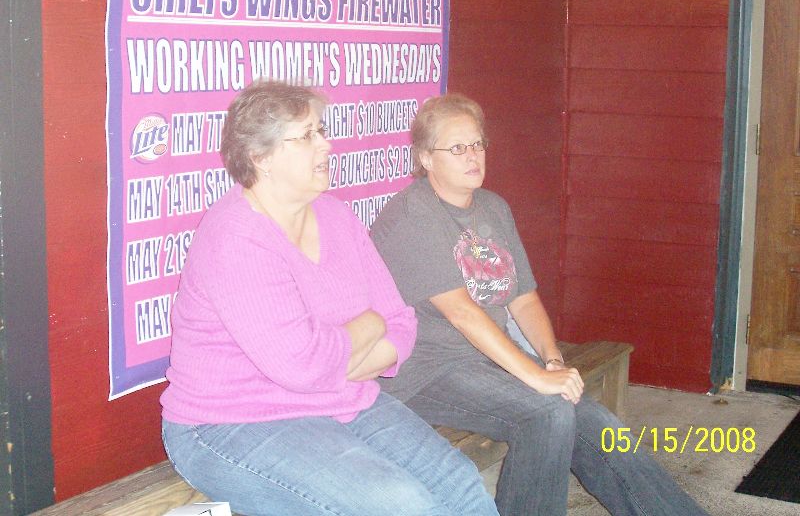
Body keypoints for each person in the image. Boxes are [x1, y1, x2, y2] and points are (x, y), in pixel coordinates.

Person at [160, 81, 499, 516]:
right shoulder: (235, 237)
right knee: (401, 504)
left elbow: (400, 322)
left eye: (321, 130)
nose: (326, 144)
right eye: (307, 136)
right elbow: (305, 364)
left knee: (459, 482)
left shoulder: (336, 216)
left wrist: (336, 363)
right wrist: (368, 324)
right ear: (261, 157)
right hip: (232, 422)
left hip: (340, 398)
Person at [370, 93, 708, 516]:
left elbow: (523, 298)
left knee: (597, 424)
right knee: (547, 413)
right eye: (457, 148)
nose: (473, 156)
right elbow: (462, 313)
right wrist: (536, 377)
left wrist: (551, 360)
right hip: (427, 369)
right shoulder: (412, 215)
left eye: (477, 144)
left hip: (487, 359)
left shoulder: (493, 207)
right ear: (425, 158)